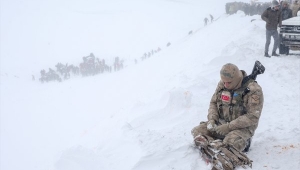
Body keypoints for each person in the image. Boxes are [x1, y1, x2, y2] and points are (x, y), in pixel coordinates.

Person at [191, 63, 264, 153]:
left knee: (230, 145)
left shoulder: (254, 90)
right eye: (224, 82)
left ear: (237, 79)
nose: (225, 85)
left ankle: (239, 142)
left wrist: (229, 127)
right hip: (221, 123)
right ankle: (215, 145)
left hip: (241, 128)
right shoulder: (223, 83)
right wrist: (212, 120)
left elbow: (253, 116)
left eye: (228, 82)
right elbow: (214, 102)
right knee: (197, 131)